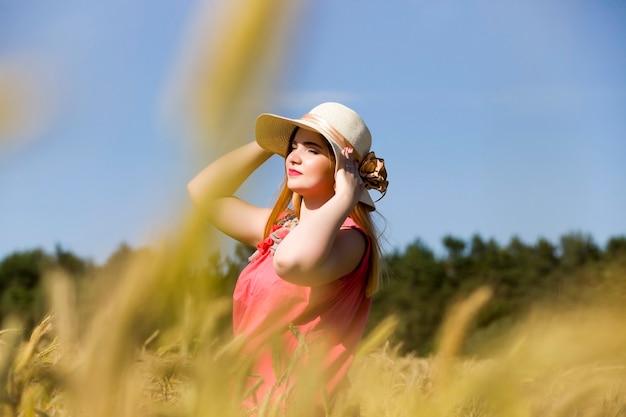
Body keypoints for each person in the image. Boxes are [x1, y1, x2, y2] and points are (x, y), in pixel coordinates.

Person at [187, 102, 388, 413]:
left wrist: (345, 199)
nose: (294, 157)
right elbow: (202, 192)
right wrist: (268, 143)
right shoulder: (281, 228)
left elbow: (291, 263)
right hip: (245, 403)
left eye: (313, 149)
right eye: (292, 147)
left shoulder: (351, 240)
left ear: (342, 167)